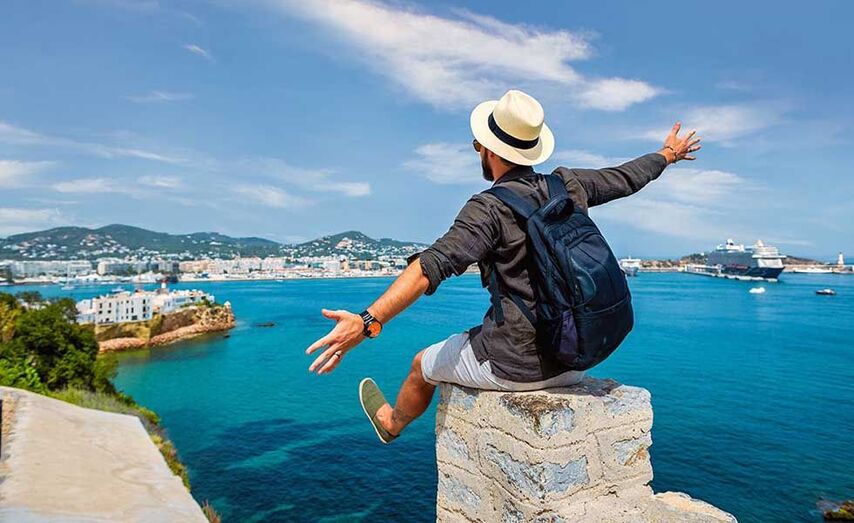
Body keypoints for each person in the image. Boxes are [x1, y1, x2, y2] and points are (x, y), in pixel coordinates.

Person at [305, 89, 701, 443]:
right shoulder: (568, 185)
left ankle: (391, 424)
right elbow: (626, 177)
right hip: (578, 356)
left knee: (421, 365)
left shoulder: (489, 208)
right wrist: (668, 155)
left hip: (516, 366)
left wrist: (367, 321)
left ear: (489, 151)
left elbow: (429, 267)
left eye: (478, 145)